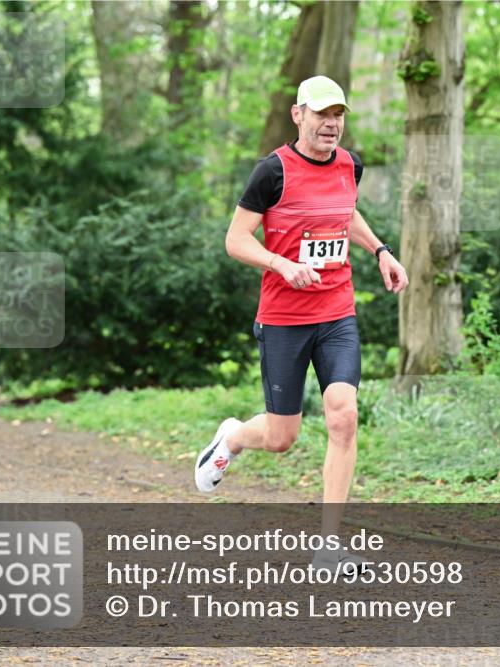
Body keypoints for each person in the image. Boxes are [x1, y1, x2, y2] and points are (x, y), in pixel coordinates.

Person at [195, 75, 409, 568]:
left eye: (338, 116)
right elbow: (236, 240)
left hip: (337, 312)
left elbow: (345, 213)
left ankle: (329, 544)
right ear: (299, 115)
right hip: (284, 319)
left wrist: (379, 250)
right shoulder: (272, 172)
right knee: (281, 438)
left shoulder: (350, 165)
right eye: (321, 114)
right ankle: (231, 437)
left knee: (343, 413)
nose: (331, 124)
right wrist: (281, 263)